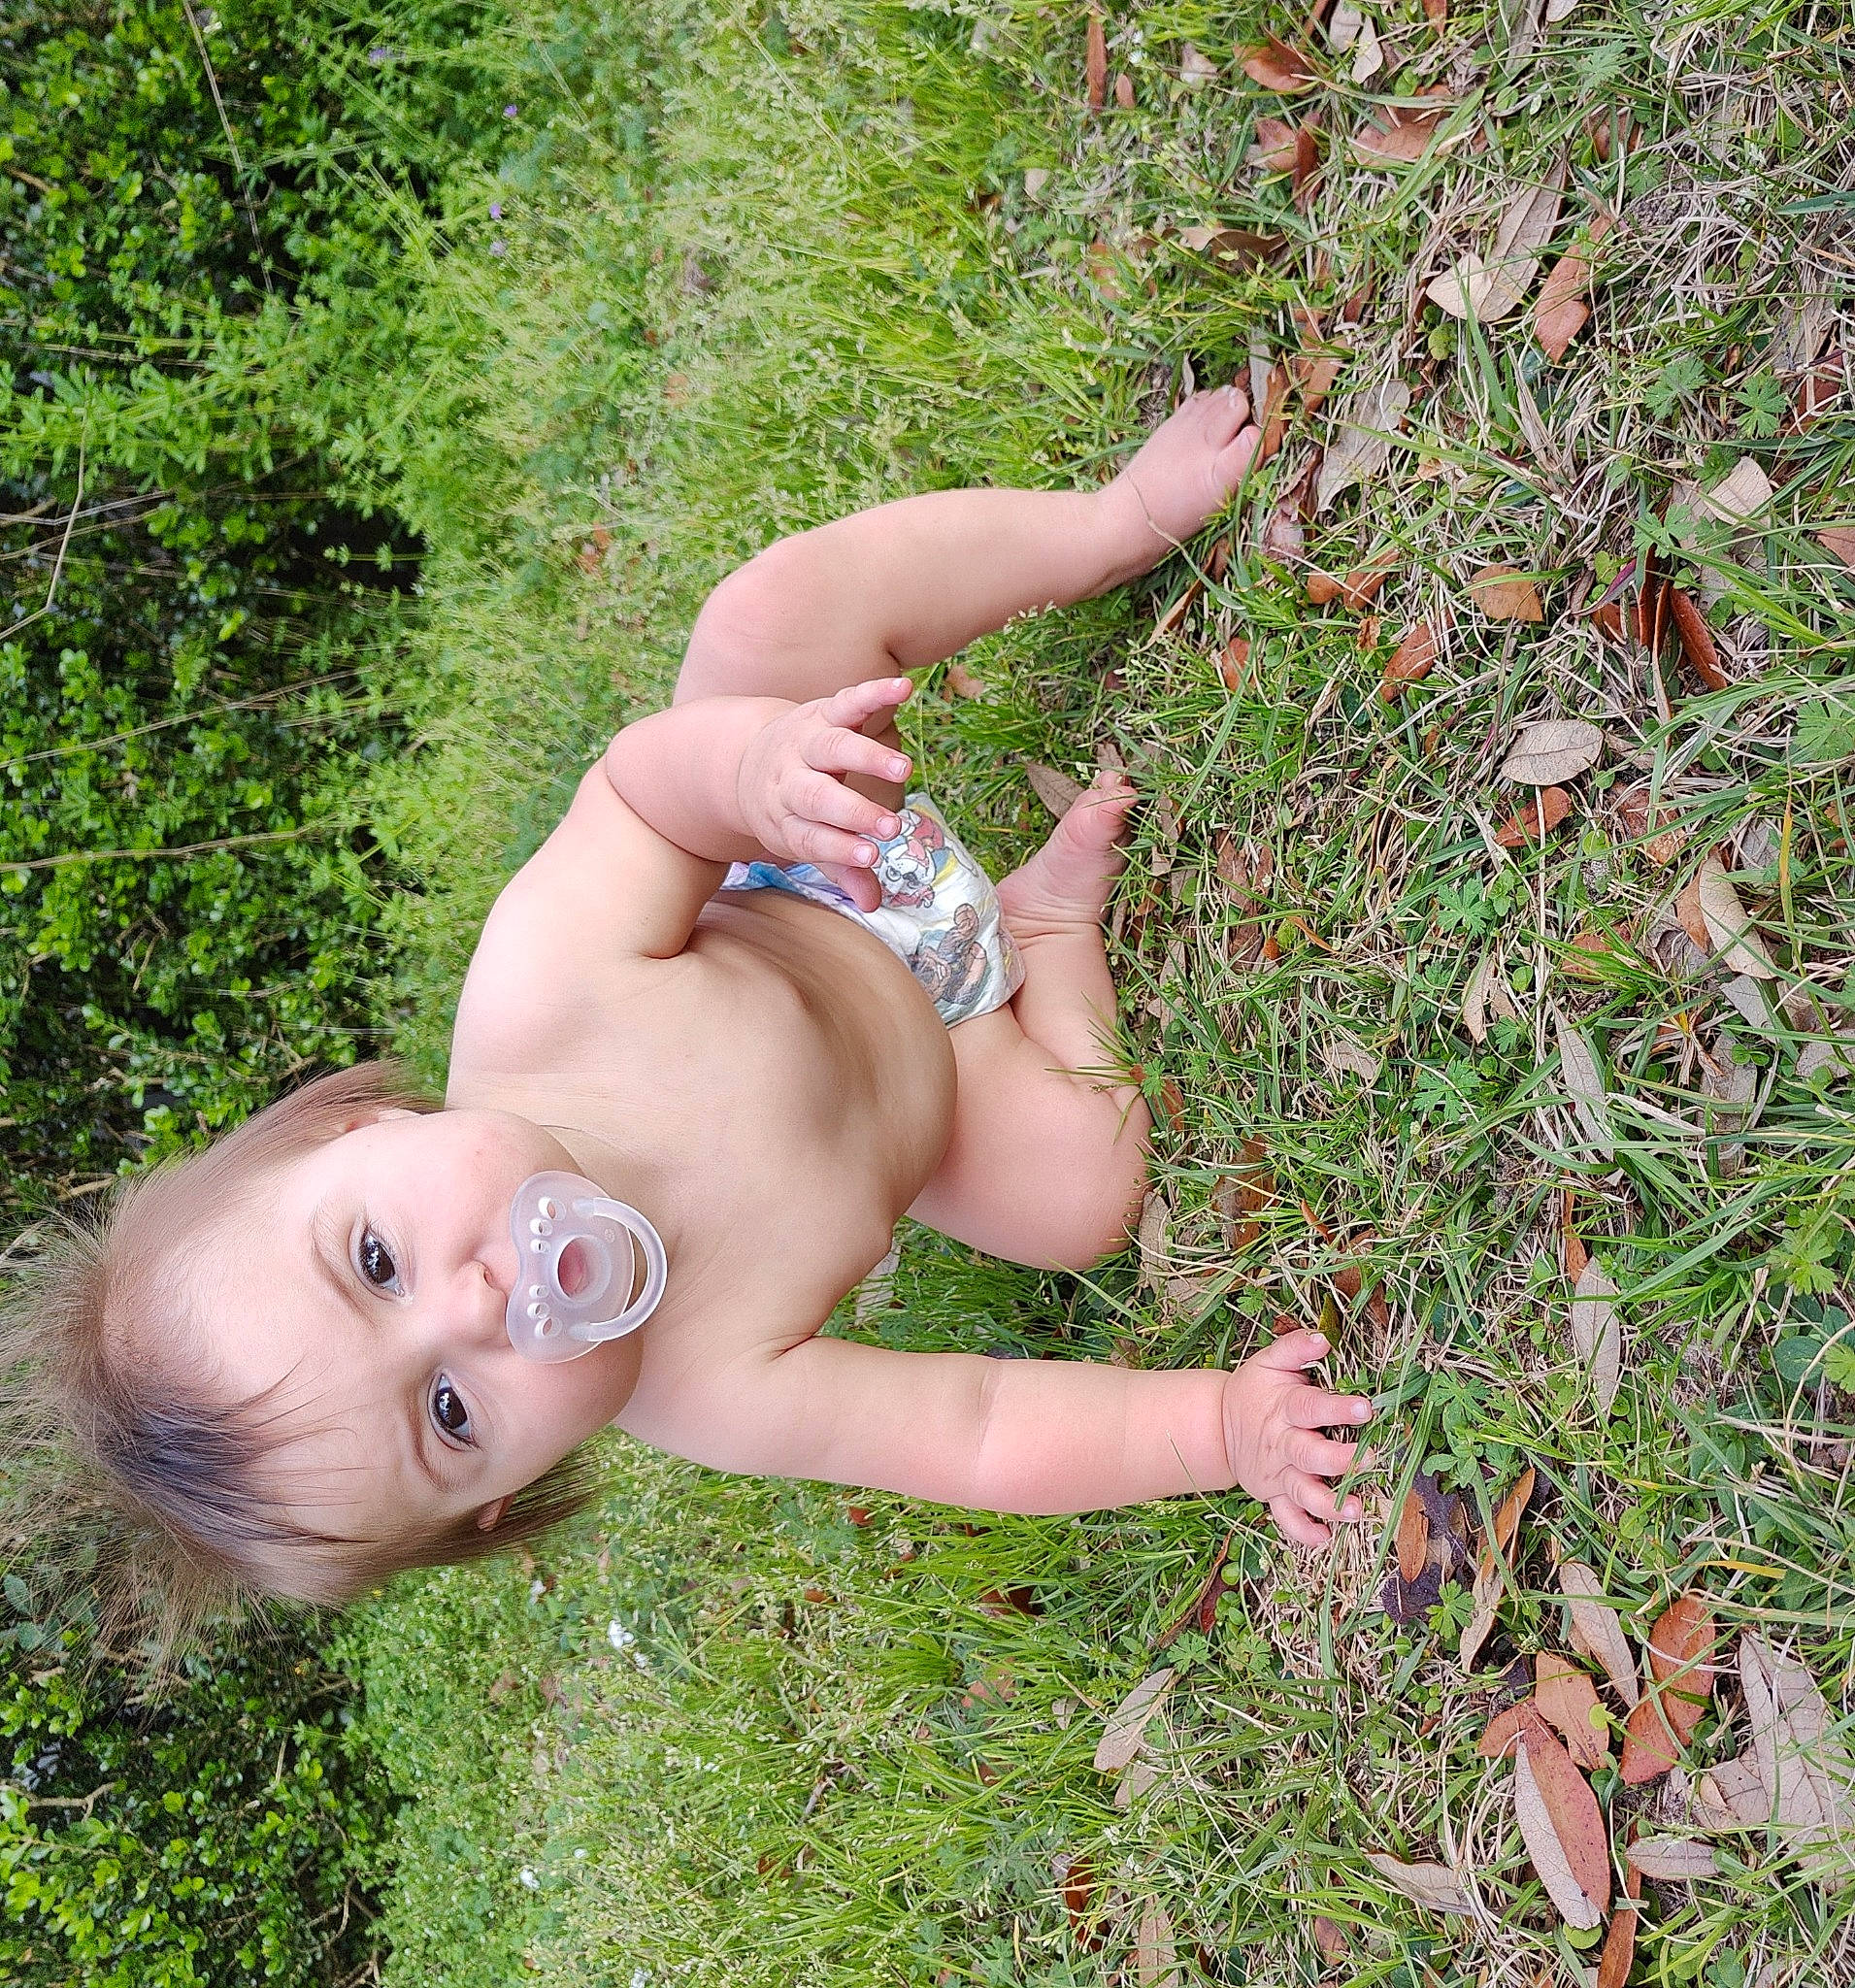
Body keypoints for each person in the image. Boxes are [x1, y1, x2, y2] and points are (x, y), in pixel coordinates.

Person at [3, 382, 1373, 1623]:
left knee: (767, 618)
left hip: (810, 853)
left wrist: (756, 770)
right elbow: (972, 1424)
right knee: (1083, 1200)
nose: (477, 1305)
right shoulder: (707, 1386)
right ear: (502, 1498)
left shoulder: (538, 1006)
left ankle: (1109, 523)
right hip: (948, 1067)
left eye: (375, 1262)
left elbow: (641, 804)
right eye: (452, 1412)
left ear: (350, 1133)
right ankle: (1046, 930)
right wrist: (1219, 1432)